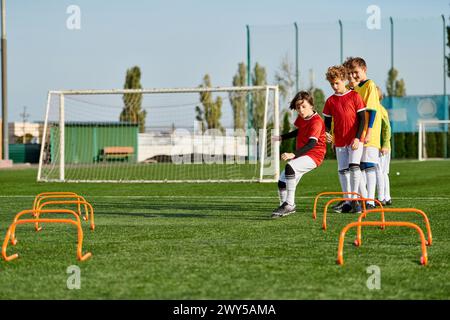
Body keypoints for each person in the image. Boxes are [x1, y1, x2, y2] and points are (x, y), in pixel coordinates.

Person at [271, 91, 327, 218]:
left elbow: (312, 144)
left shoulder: (316, 122)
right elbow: (299, 131)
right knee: (281, 182)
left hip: (314, 155)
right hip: (303, 154)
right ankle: (284, 206)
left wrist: (293, 154)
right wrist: (282, 137)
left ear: (311, 106)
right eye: (298, 107)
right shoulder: (303, 118)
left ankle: (289, 205)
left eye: (304, 106)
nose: (301, 110)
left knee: (290, 167)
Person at [323, 65, 366, 213]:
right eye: (332, 84)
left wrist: (357, 137)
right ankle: (347, 201)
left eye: (337, 83)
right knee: (342, 170)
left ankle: (355, 200)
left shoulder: (355, 96)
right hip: (340, 141)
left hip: (354, 139)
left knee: (354, 166)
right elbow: (327, 122)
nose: (334, 86)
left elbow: (362, 119)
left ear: (344, 80)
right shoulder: (330, 101)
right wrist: (327, 133)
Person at [346, 57, 383, 210]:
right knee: (358, 166)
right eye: (351, 73)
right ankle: (364, 198)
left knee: (369, 166)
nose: (354, 75)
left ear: (364, 69)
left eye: (356, 72)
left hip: (368, 132)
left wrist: (369, 132)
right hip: (358, 133)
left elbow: (372, 109)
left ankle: (370, 201)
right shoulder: (355, 88)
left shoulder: (369, 85)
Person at [376, 86, 392, 206]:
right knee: (383, 172)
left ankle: (381, 197)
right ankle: (387, 197)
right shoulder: (381, 109)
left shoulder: (379, 110)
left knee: (379, 171)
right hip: (383, 146)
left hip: (381, 146)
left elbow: (387, 128)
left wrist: (385, 144)